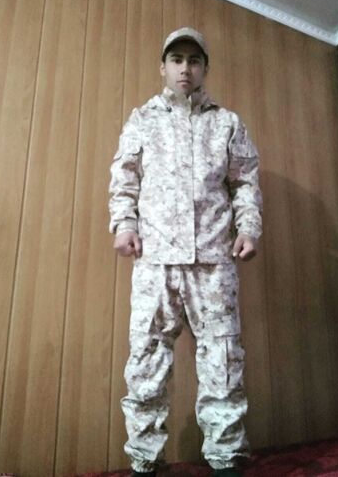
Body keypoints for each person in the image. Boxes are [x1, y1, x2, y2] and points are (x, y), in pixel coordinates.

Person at [109, 27, 263, 477]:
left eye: (194, 60)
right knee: (146, 362)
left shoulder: (227, 123)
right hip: (155, 261)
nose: (185, 68)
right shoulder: (142, 119)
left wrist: (249, 228)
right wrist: (124, 224)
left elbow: (245, 182)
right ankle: (144, 462)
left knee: (223, 361)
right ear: (163, 67)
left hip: (213, 261)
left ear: (204, 69)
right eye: (176, 59)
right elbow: (124, 179)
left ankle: (226, 459)